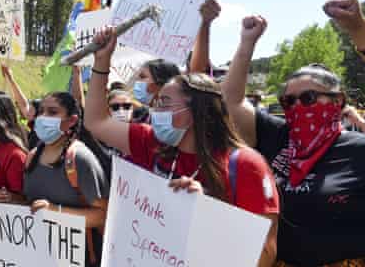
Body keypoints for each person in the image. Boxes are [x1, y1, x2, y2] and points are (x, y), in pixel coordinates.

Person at [85, 28, 280, 267]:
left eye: (165, 103)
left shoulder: (246, 165)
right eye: (156, 104)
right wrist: (101, 60)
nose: (155, 112)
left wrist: (206, 213)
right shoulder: (152, 144)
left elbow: (266, 255)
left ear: (196, 112)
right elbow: (95, 122)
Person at [222, 0, 365, 266]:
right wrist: (246, 44)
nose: (298, 107)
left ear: (339, 102)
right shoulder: (278, 136)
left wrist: (359, 31)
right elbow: (229, 105)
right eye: (289, 101)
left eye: (309, 98)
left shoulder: (358, 150)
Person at [24, 92, 108, 267]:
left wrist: (57, 212)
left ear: (71, 121)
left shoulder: (80, 159)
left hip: (80, 258)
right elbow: (31, 203)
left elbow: (102, 216)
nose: (43, 117)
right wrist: (7, 198)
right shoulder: (32, 156)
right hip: (40, 255)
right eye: (41, 111)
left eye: (53, 112)